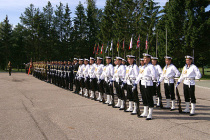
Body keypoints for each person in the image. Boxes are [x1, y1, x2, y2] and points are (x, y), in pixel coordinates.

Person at [135, 53, 156, 120]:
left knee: (149, 98)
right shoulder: (143, 67)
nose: (144, 59)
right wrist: (136, 82)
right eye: (144, 58)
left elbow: (154, 76)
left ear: (149, 59)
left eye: (146, 58)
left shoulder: (151, 66)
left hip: (149, 84)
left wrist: (152, 80)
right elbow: (140, 75)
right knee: (144, 97)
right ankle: (145, 112)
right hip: (143, 83)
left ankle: (150, 114)